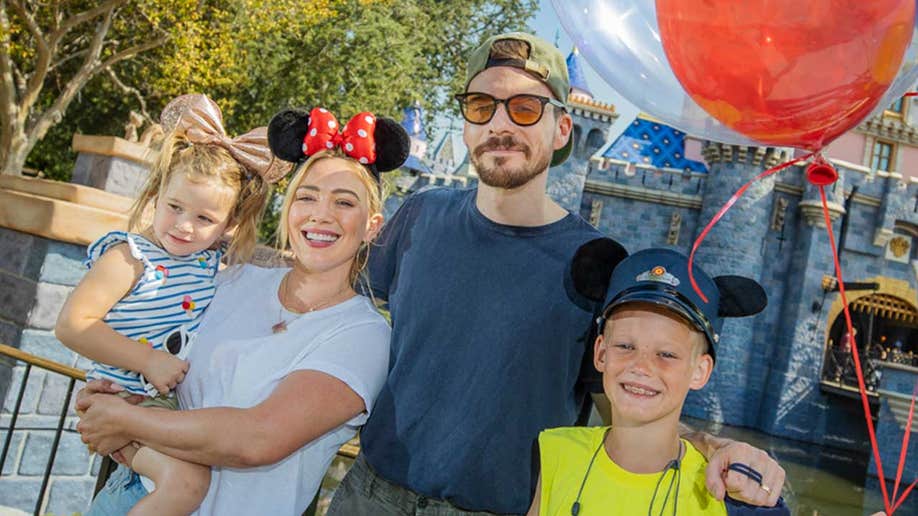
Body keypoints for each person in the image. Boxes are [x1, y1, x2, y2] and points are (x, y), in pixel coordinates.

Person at [328, 32, 786, 515]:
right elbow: (335, 306)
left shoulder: (596, 264)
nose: (499, 124)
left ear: (564, 128)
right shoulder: (420, 217)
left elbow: (629, 399)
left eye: (525, 108)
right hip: (369, 495)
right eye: (481, 105)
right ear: (466, 124)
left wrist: (710, 448)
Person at [75, 105, 411, 515]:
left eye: (344, 203)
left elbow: (256, 439)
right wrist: (112, 397)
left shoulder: (364, 334)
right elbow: (151, 358)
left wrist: (123, 422)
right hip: (132, 497)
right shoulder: (230, 281)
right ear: (288, 210)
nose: (321, 214)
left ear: (372, 226)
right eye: (307, 196)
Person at [56, 93, 275, 515]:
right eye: (175, 207)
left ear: (229, 225)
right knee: (187, 482)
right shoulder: (129, 257)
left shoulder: (210, 265)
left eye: (205, 219)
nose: (185, 226)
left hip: (165, 406)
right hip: (124, 398)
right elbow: (72, 324)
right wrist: (148, 361)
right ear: (157, 195)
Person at [527, 246, 789, 515]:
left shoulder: (734, 496)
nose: (641, 366)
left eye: (666, 354)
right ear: (601, 353)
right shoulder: (556, 452)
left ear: (700, 370)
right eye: (626, 346)